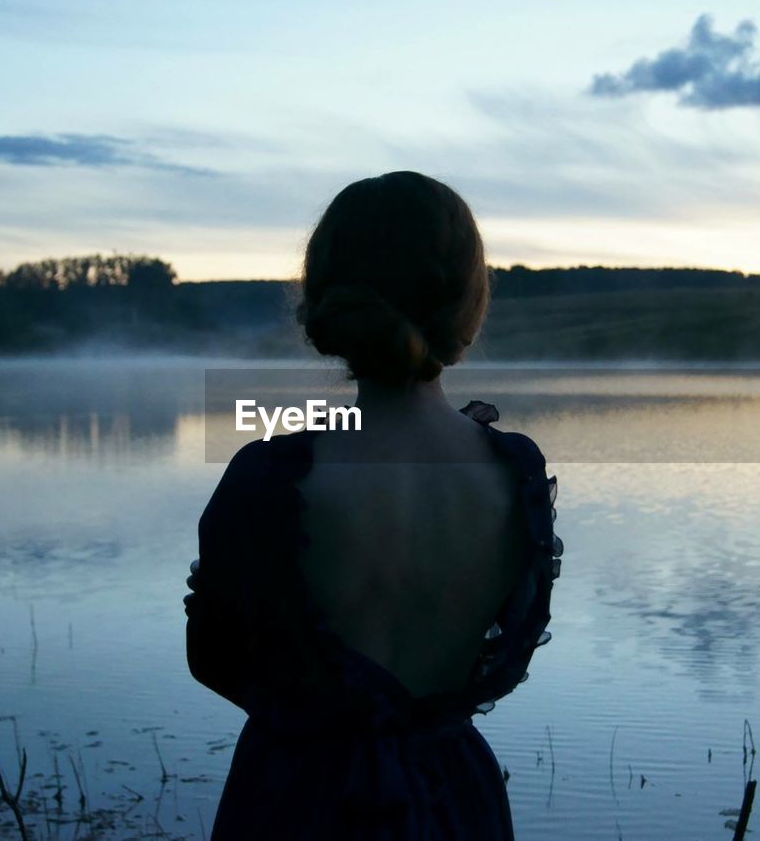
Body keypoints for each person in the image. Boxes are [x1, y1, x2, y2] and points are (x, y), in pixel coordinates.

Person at [185, 171, 563, 839]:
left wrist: (318, 721)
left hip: (296, 797)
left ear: (328, 298)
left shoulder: (270, 477)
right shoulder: (517, 477)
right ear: (467, 302)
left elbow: (216, 659)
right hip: (454, 800)